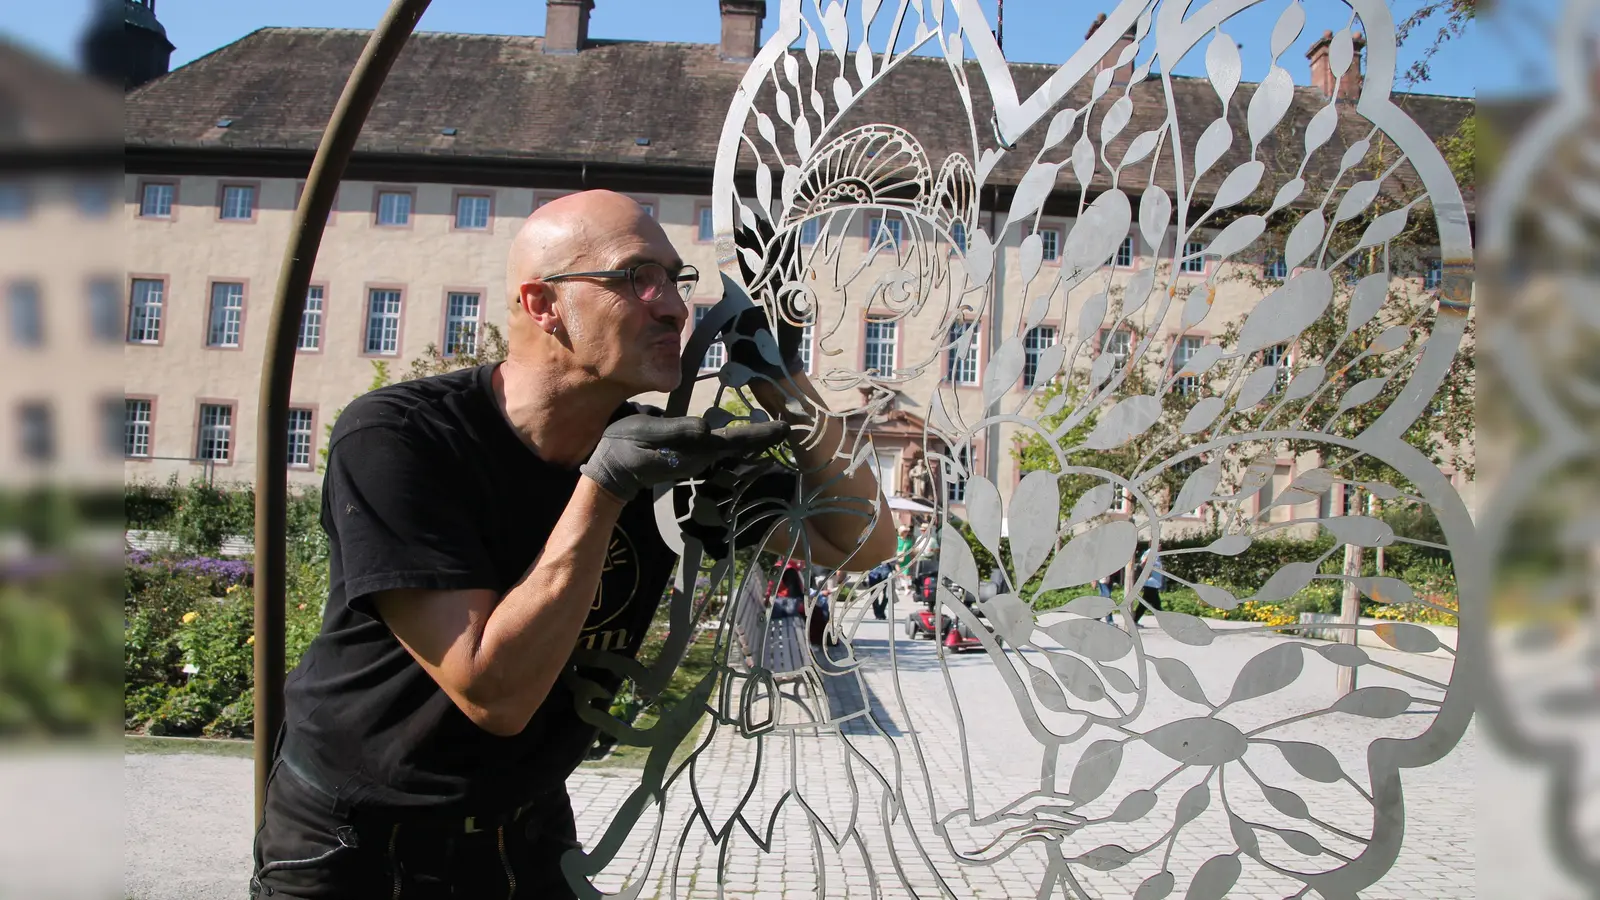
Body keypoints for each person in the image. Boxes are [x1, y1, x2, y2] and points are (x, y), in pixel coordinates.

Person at [250, 191, 894, 899]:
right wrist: (606, 486)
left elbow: (861, 541)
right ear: (542, 304)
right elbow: (492, 692)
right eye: (635, 277)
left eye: (678, 282)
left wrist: (782, 380)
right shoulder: (404, 439)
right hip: (361, 845)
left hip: (527, 830)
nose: (675, 308)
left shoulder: (659, 454)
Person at [1131, 546, 1166, 627]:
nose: (1160, 546)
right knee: (1156, 604)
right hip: (1150, 583)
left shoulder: (1156, 554)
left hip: (1153, 583)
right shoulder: (1151, 552)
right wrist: (1147, 573)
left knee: (1145, 604)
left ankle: (1134, 620)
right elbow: (1143, 563)